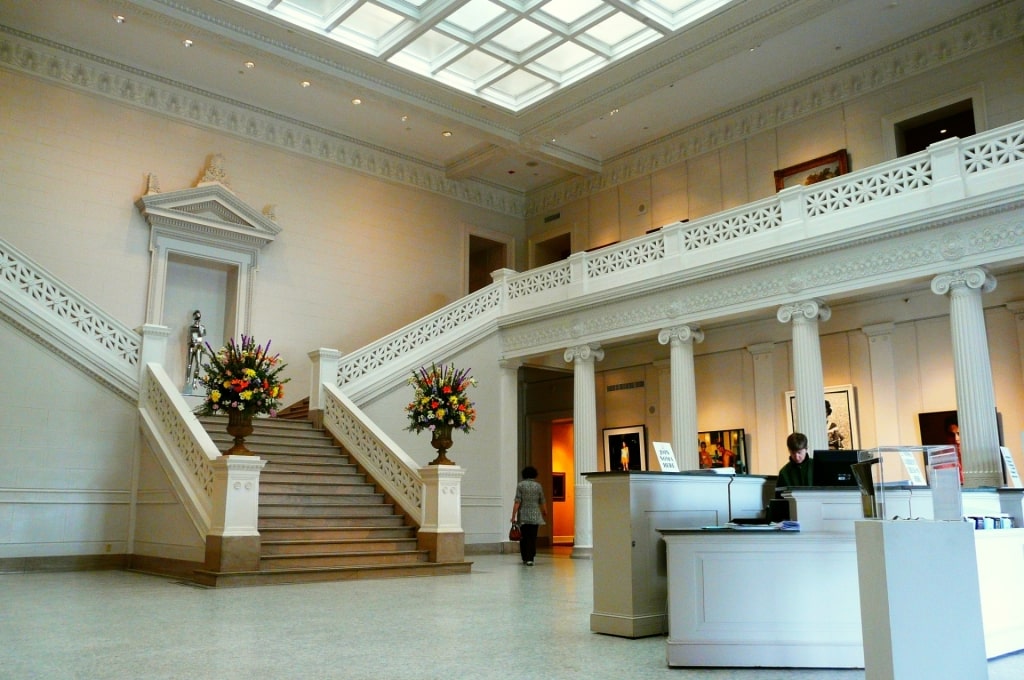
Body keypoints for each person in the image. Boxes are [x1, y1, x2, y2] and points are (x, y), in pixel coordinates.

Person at [511, 466, 547, 566]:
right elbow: (542, 500)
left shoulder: (521, 485)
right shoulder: (538, 486)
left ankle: (525, 557)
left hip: (524, 516)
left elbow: (517, 501)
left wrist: (513, 515)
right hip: (535, 515)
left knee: (524, 537)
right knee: (533, 537)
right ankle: (531, 557)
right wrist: (545, 511)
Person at [184, 310, 206, 393]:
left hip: (199, 347)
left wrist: (200, 327)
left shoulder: (202, 327)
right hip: (192, 346)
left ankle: (194, 383)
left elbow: (203, 334)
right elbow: (190, 336)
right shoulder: (191, 327)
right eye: (196, 317)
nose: (197, 319)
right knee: (189, 364)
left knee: (198, 365)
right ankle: (187, 381)